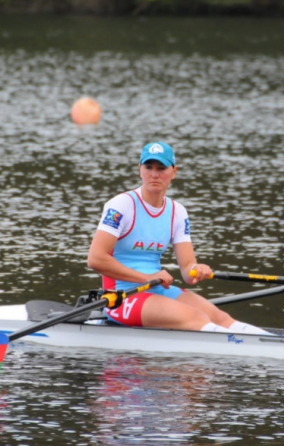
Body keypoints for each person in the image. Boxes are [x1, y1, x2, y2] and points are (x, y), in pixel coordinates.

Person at [87, 141, 272, 335]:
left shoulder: (177, 212)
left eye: (161, 168)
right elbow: (95, 259)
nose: (154, 174)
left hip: (156, 288)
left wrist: (196, 269)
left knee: (221, 318)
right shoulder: (121, 205)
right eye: (148, 167)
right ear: (139, 170)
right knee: (195, 317)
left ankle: (274, 343)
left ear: (174, 172)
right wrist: (147, 278)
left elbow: (186, 270)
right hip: (121, 296)